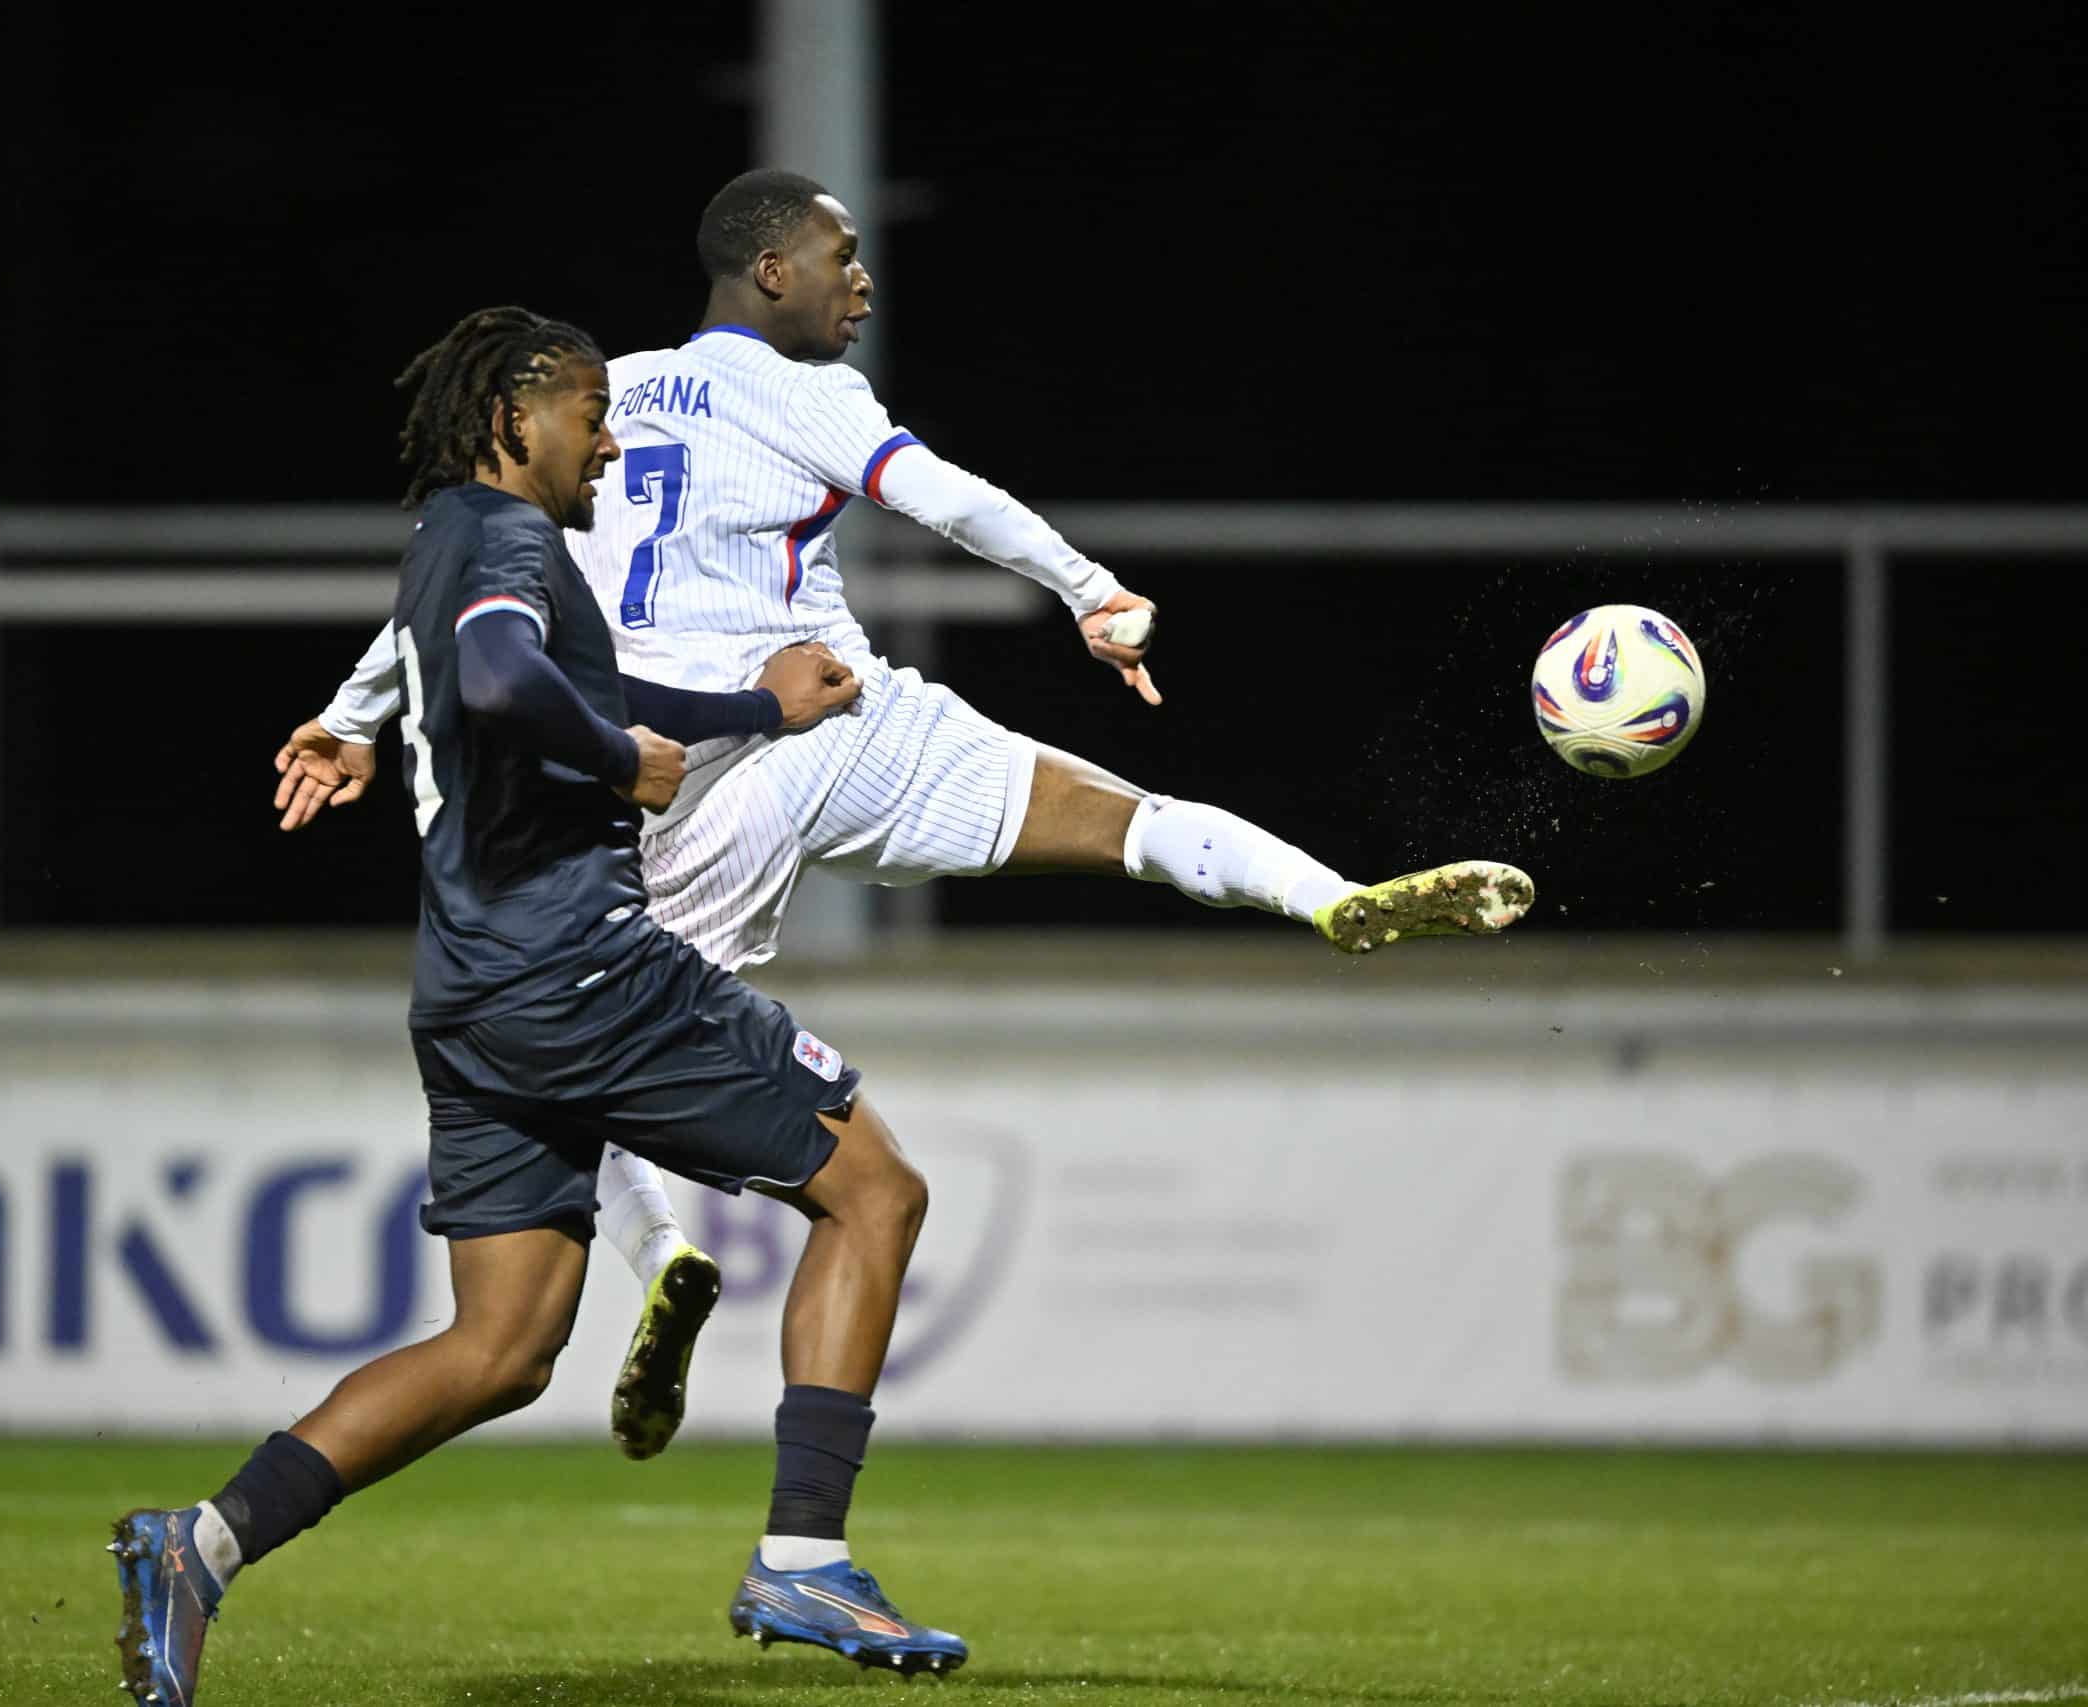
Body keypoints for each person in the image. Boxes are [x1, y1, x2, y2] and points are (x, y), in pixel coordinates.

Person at [273, 167, 1534, 1468]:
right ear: (771, 271)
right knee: (1116, 814)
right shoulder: (803, 390)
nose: (861, 280)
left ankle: (667, 1251)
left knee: (592, 1054)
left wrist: (353, 714)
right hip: (823, 703)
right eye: (841, 255)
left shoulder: (598, 396)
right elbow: (948, 498)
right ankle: (1322, 897)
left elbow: (473, 600)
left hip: (668, 748)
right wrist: (1090, 590)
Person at [111, 306, 966, 1707]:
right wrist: (621, 755)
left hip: (470, 995)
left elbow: (566, 681)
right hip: (585, 973)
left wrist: (751, 709)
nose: (611, 440)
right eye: (586, 413)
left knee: (501, 1346)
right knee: (877, 1189)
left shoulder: (449, 538)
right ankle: (805, 1555)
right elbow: (522, 684)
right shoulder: (512, 545)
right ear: (515, 416)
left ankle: (198, 1542)